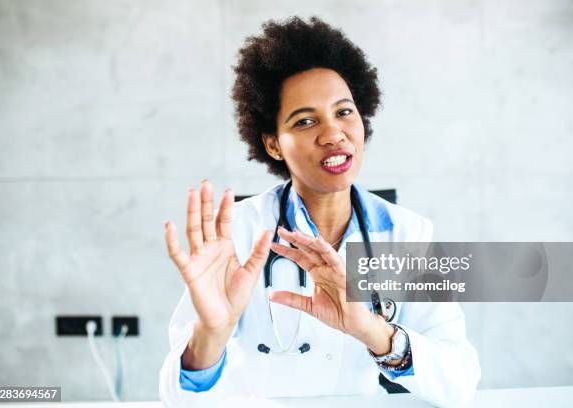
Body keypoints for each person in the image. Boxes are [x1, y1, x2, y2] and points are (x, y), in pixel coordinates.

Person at [159, 16, 480, 407]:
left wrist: (374, 332)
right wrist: (212, 331)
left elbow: (459, 382)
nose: (333, 134)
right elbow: (176, 397)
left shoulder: (406, 234)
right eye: (305, 121)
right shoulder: (237, 233)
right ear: (274, 144)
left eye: (344, 112)